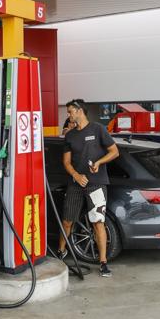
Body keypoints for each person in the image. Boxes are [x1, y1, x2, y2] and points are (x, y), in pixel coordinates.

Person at [58, 99, 119, 277]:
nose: (68, 115)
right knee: (67, 220)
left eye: (70, 111)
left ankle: (103, 262)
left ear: (79, 111)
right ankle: (61, 253)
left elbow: (114, 151)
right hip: (76, 184)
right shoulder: (70, 136)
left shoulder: (98, 129)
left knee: (97, 222)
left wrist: (99, 162)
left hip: (97, 184)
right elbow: (66, 162)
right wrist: (76, 175)